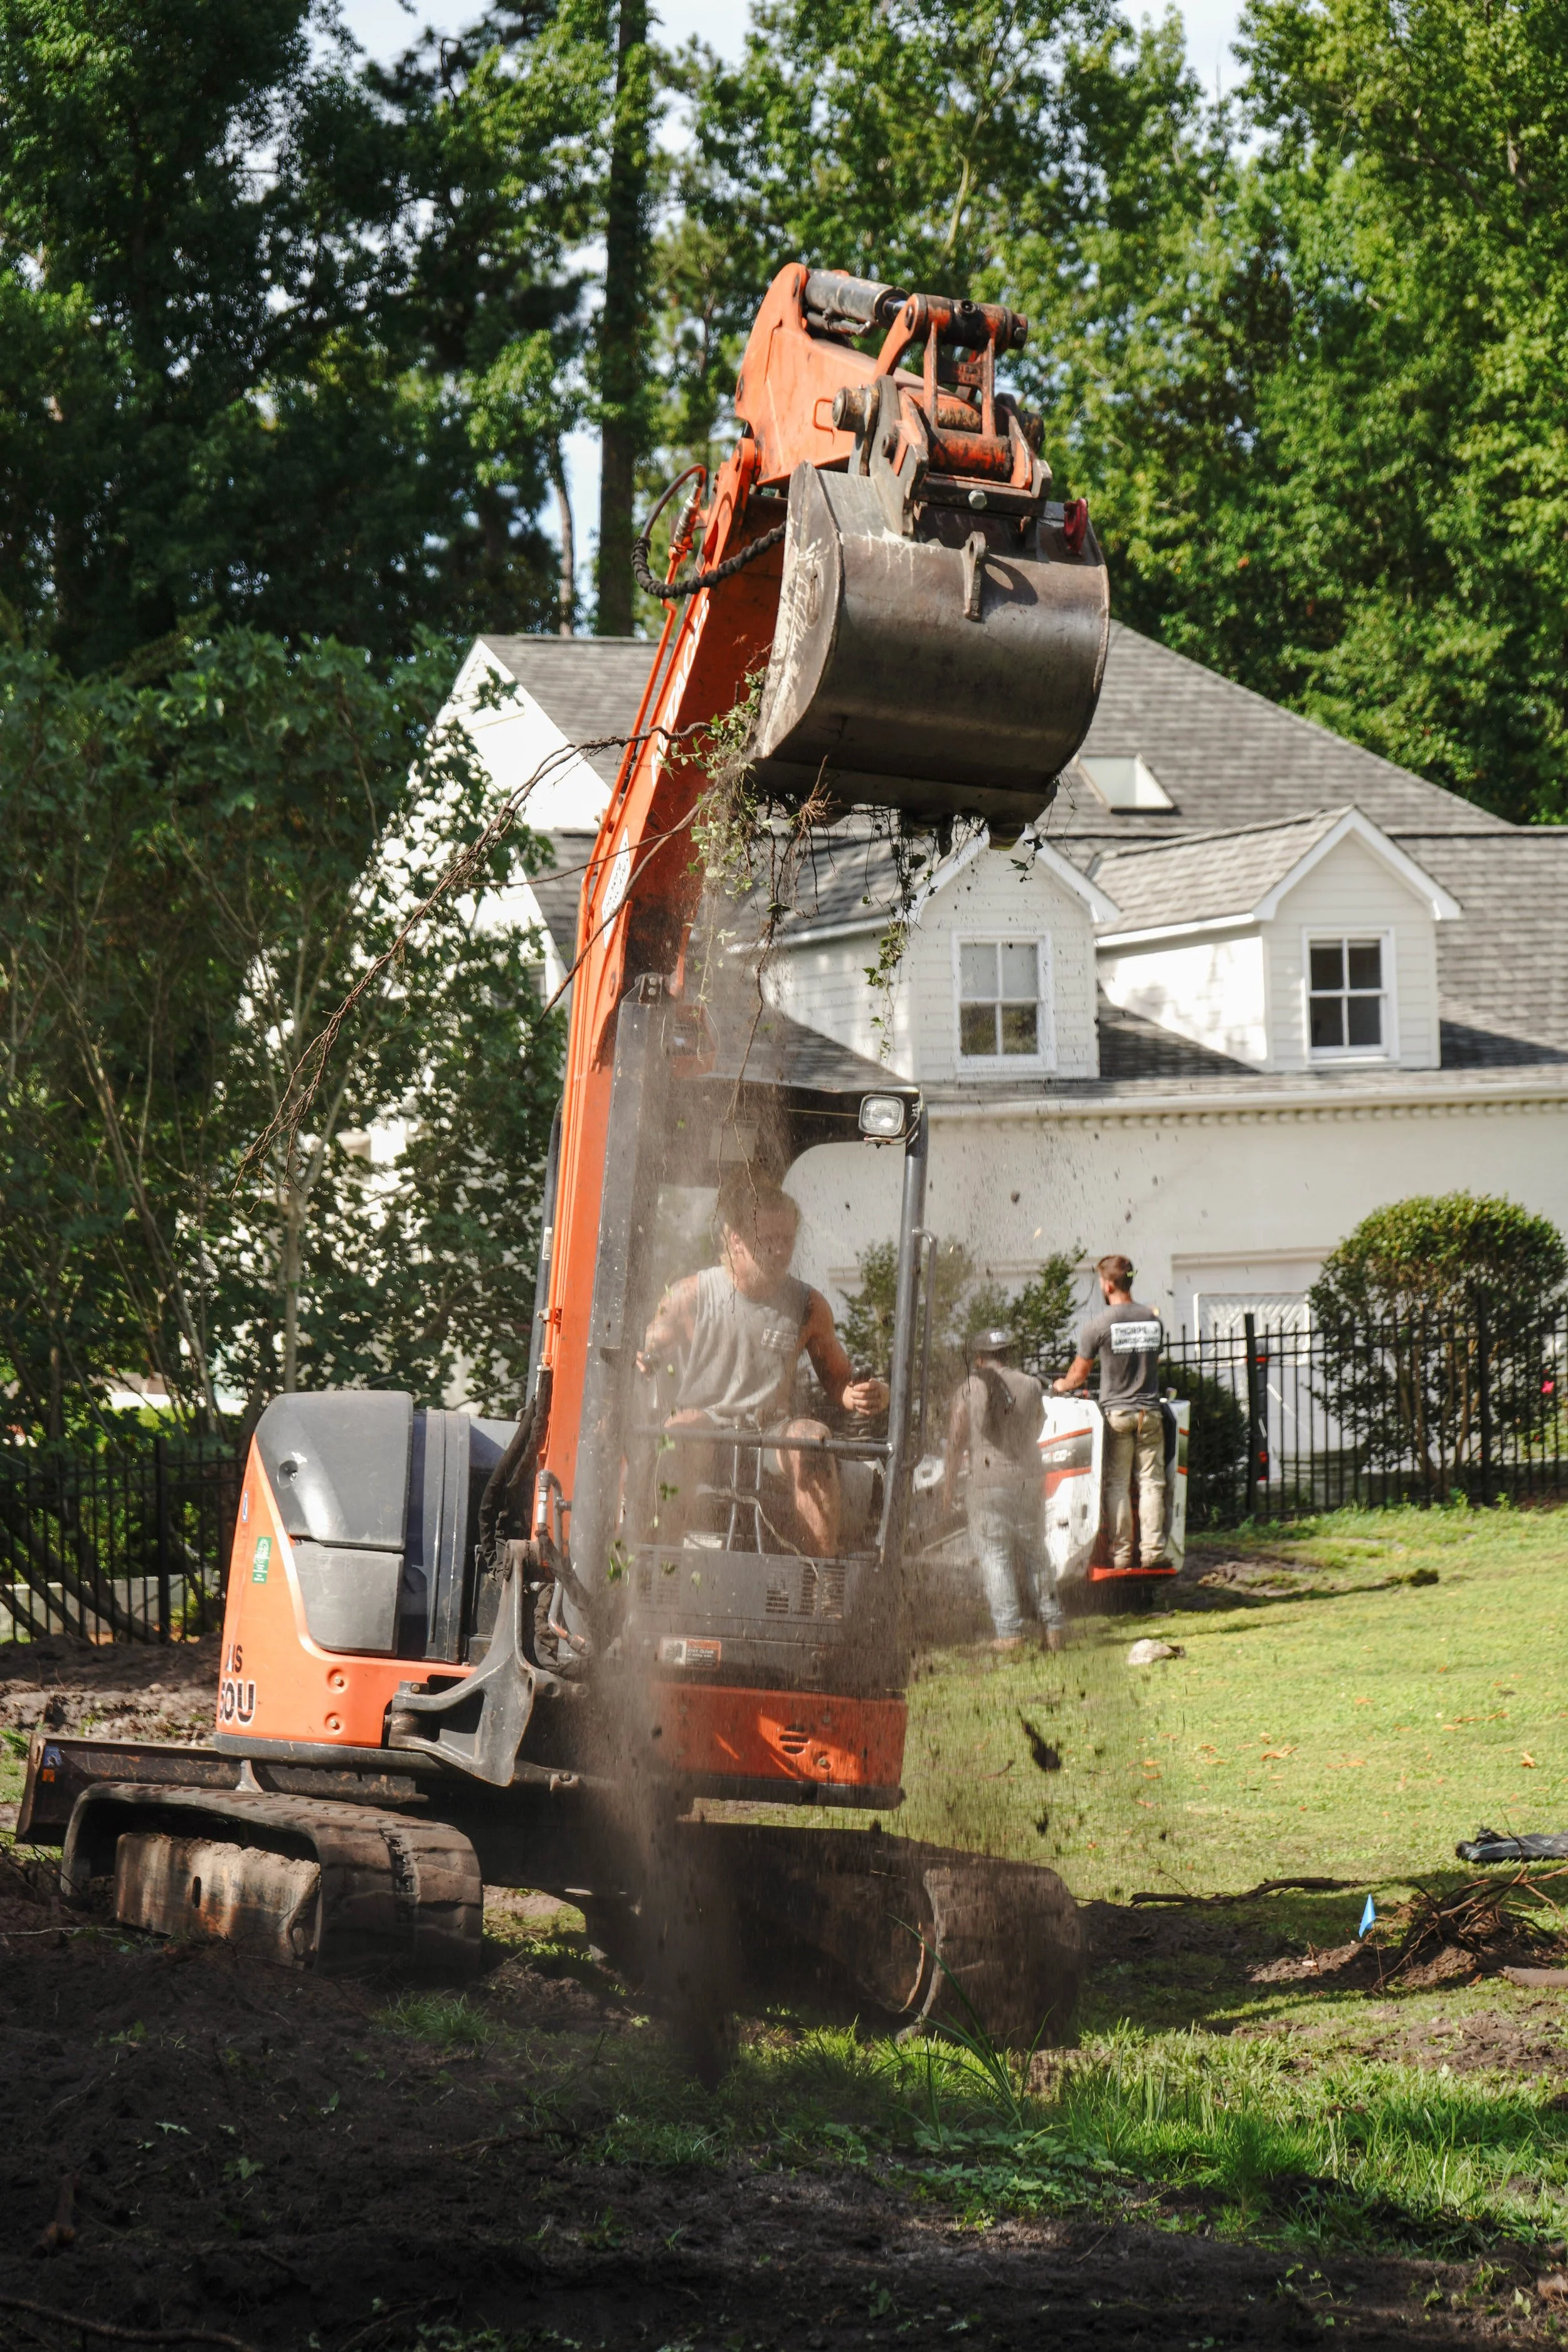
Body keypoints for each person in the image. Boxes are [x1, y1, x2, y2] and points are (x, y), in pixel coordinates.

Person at [637, 1170, 888, 1555]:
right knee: (678, 1432)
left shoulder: (808, 1305)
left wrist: (863, 1394)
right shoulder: (691, 1296)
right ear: (735, 1240)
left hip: (770, 1435)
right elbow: (647, 1352)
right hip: (706, 1428)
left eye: (786, 1240)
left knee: (813, 1439)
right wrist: (644, 1359)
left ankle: (818, 1579)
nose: (779, 1250)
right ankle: (660, 1566)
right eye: (767, 1240)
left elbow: (840, 1381)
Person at [944, 1327, 1063, 1651]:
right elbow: (1037, 1426)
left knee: (995, 1556)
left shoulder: (969, 1388)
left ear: (979, 1358)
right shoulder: (1032, 1385)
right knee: (1036, 1553)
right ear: (1008, 1354)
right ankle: (1054, 1628)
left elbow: (955, 1441)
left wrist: (948, 1486)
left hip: (987, 1482)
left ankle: (1010, 1633)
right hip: (1028, 1478)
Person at [1053, 1254, 1169, 1571]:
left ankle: (1121, 1556)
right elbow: (1153, 1362)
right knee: (1152, 1483)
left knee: (1117, 1484)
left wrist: (1060, 1384)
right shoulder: (1152, 1320)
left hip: (1118, 1415)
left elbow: (1078, 1376)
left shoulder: (1099, 1325)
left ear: (1107, 1285)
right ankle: (1153, 1552)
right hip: (1150, 1413)